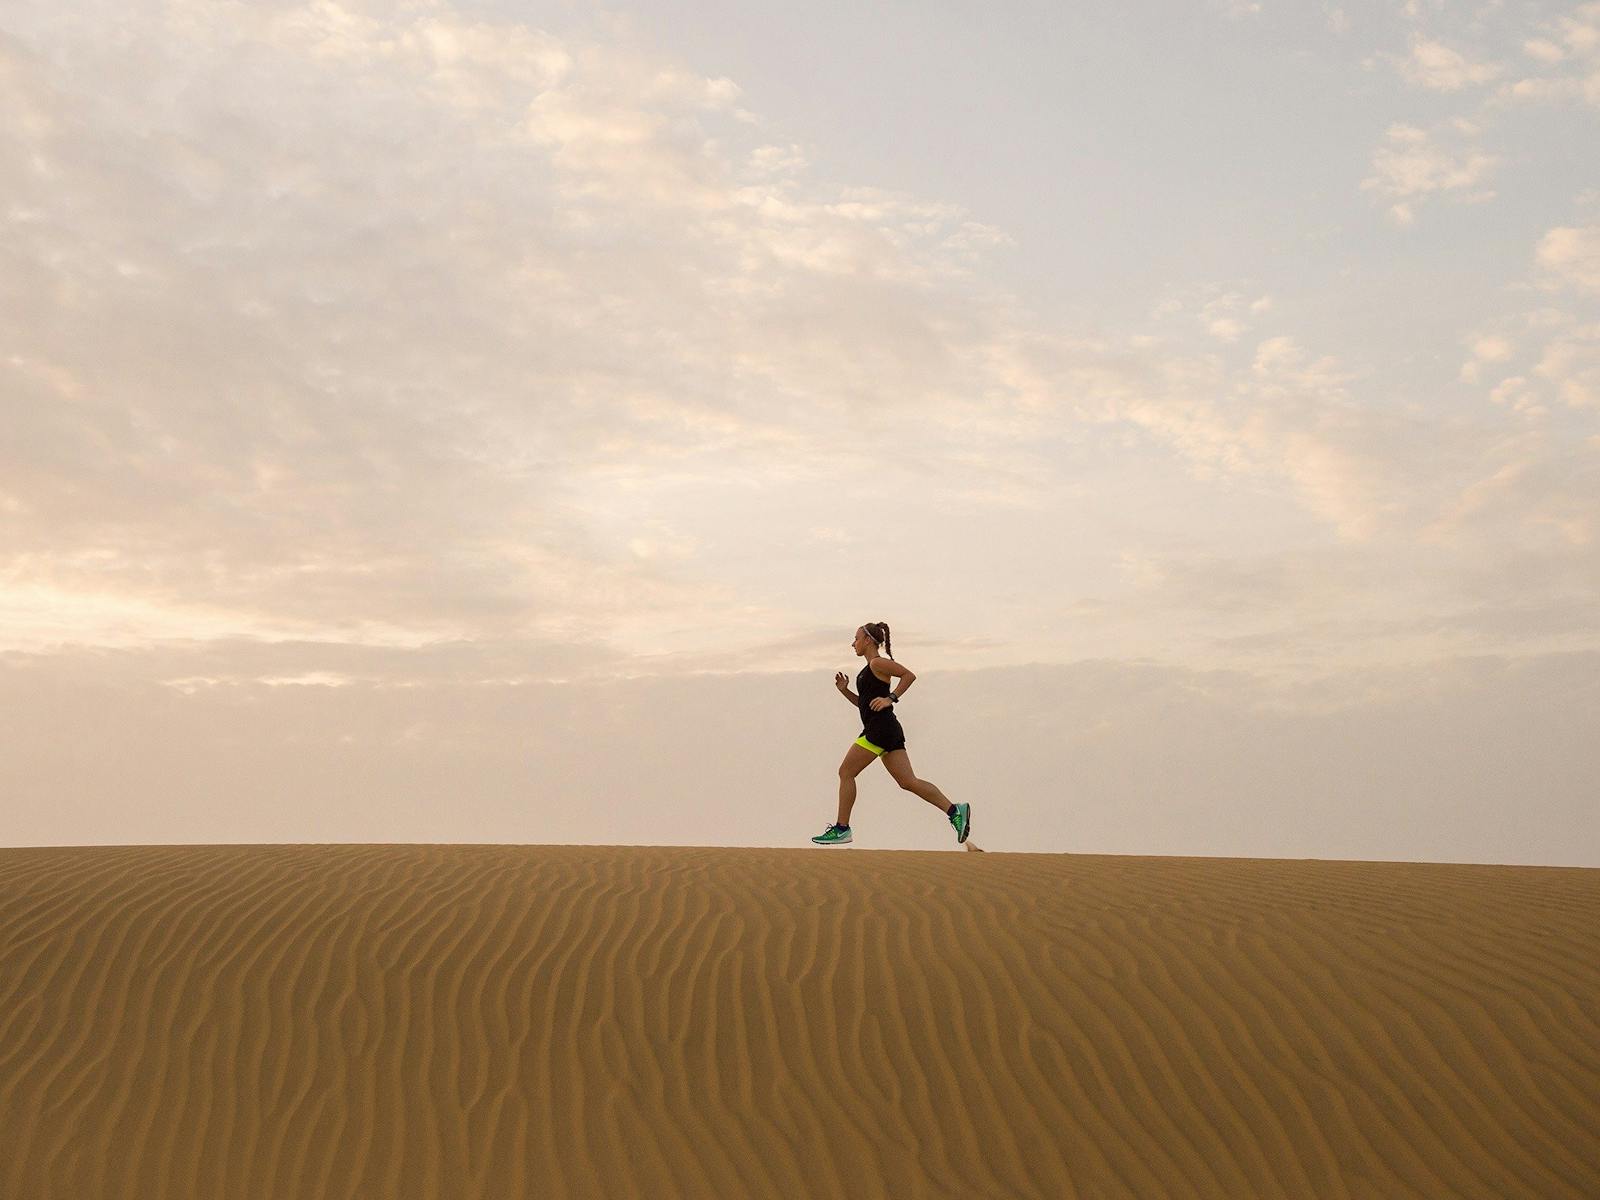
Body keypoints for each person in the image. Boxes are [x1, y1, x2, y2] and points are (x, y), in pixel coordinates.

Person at [812, 621, 971, 845]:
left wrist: (891, 698)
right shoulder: (868, 671)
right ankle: (955, 810)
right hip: (886, 730)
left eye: (856, 639)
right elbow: (865, 705)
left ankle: (842, 828)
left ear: (868, 640)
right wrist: (845, 691)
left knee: (846, 772)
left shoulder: (878, 663)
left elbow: (908, 675)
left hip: (880, 730)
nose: (853, 644)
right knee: (908, 782)